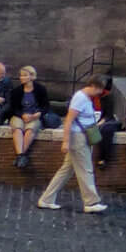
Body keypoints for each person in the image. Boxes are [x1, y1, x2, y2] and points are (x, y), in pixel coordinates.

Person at [36, 75, 108, 213]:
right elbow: (68, 120)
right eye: (100, 89)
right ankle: (91, 202)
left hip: (81, 137)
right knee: (86, 170)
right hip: (78, 138)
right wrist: (65, 141)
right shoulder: (80, 98)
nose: (100, 93)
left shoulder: (86, 98)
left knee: (66, 171)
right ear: (93, 86)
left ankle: (46, 199)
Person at [7, 66, 50, 169]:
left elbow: (46, 106)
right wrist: (22, 115)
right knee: (17, 128)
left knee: (30, 129)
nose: (21, 78)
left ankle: (20, 156)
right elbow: (13, 108)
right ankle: (22, 157)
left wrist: (38, 114)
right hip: (19, 115)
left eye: (24, 75)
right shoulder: (16, 91)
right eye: (21, 75)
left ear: (31, 76)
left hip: (34, 116)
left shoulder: (41, 89)